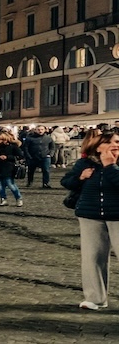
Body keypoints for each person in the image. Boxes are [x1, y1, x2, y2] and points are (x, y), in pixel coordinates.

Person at [62, 128, 119, 310]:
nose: (114, 145)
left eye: (117, 142)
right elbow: (67, 182)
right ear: (98, 145)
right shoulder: (85, 163)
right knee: (93, 258)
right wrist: (80, 177)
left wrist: (111, 166)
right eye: (109, 142)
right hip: (90, 214)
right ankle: (95, 298)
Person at [0, 130, 24, 207]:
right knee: (0, 186)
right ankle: (3, 199)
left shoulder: (12, 147)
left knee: (10, 184)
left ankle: (18, 198)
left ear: (4, 139)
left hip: (8, 168)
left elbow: (20, 156)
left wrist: (7, 157)